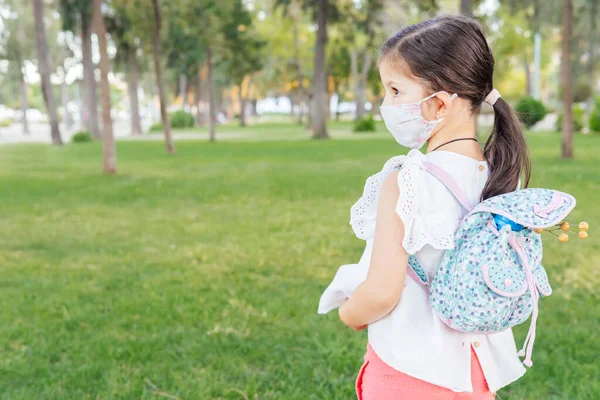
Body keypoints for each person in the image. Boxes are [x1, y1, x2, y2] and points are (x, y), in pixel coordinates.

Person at [318, 15, 531, 399]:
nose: (387, 104)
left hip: (408, 375)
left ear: (437, 105)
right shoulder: (501, 176)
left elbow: (383, 292)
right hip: (477, 376)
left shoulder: (406, 181)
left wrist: (349, 312)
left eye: (396, 91)